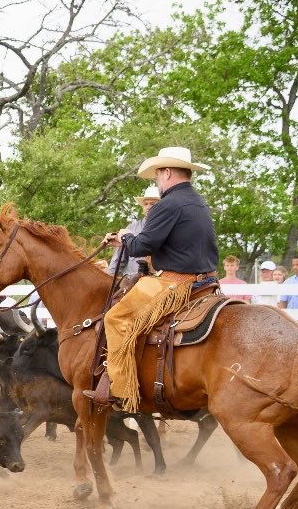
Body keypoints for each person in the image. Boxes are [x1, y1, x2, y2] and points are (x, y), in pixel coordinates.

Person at [90, 147, 218, 412]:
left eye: (158, 175)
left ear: (167, 172)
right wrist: (127, 241)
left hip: (175, 283)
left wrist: (125, 236)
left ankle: (122, 392)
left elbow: (140, 248)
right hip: (207, 282)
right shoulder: (198, 202)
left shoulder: (167, 205)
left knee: (116, 319)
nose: (157, 181)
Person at [109, 184, 160, 276]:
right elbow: (118, 260)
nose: (148, 207)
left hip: (157, 284)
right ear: (142, 208)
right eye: (145, 204)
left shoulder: (166, 228)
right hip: (131, 282)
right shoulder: (131, 229)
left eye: (152, 204)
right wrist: (108, 280)